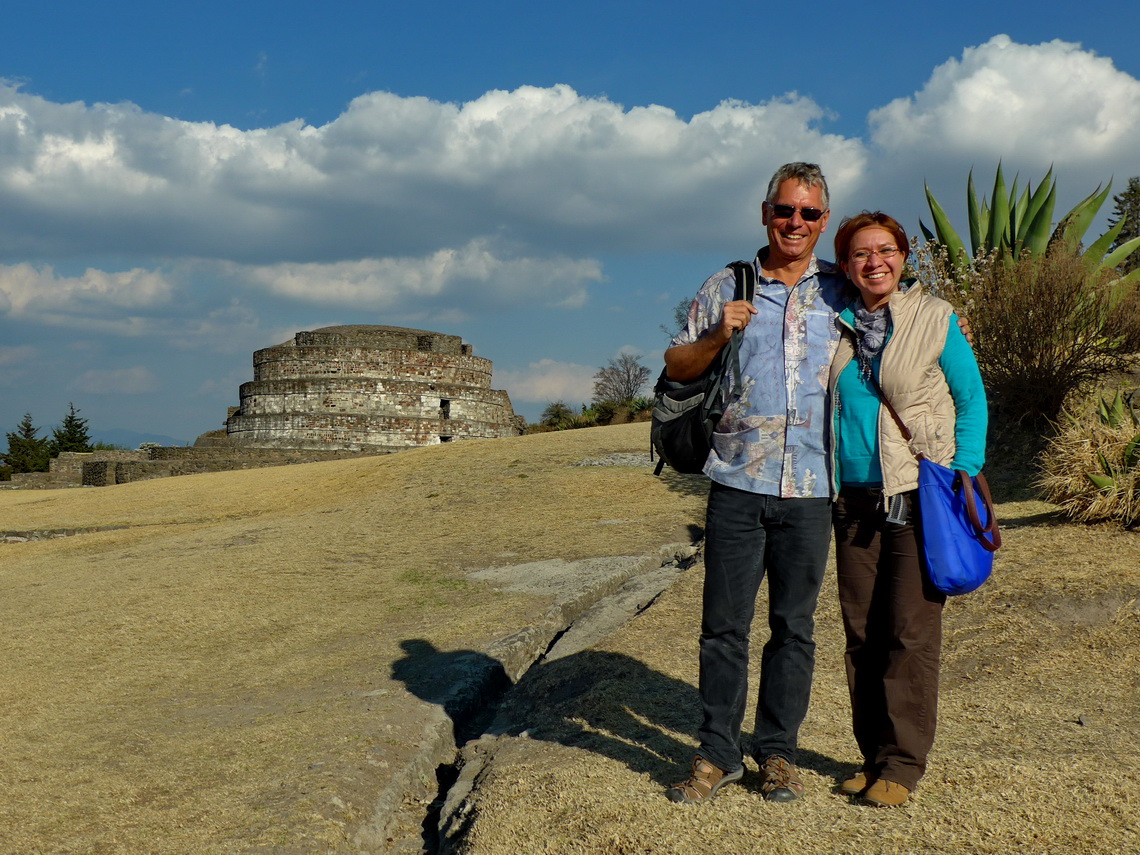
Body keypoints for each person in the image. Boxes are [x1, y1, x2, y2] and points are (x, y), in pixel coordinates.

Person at [663, 162, 848, 804]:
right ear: (765, 212)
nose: (795, 223)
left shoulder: (841, 289)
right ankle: (718, 753)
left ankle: (777, 752)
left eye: (809, 213)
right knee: (723, 627)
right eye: (785, 210)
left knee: (794, 628)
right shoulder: (728, 284)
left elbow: (898, 338)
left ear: (824, 220)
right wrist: (719, 332)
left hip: (815, 483)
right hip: (739, 479)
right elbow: (676, 363)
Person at [827, 211, 987, 807]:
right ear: (845, 265)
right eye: (861, 254)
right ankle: (872, 756)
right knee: (862, 632)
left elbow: (971, 401)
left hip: (918, 495)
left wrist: (961, 474)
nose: (875, 262)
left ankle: (903, 763)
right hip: (853, 499)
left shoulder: (936, 318)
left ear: (903, 257)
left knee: (909, 632)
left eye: (886, 250)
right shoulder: (837, 324)